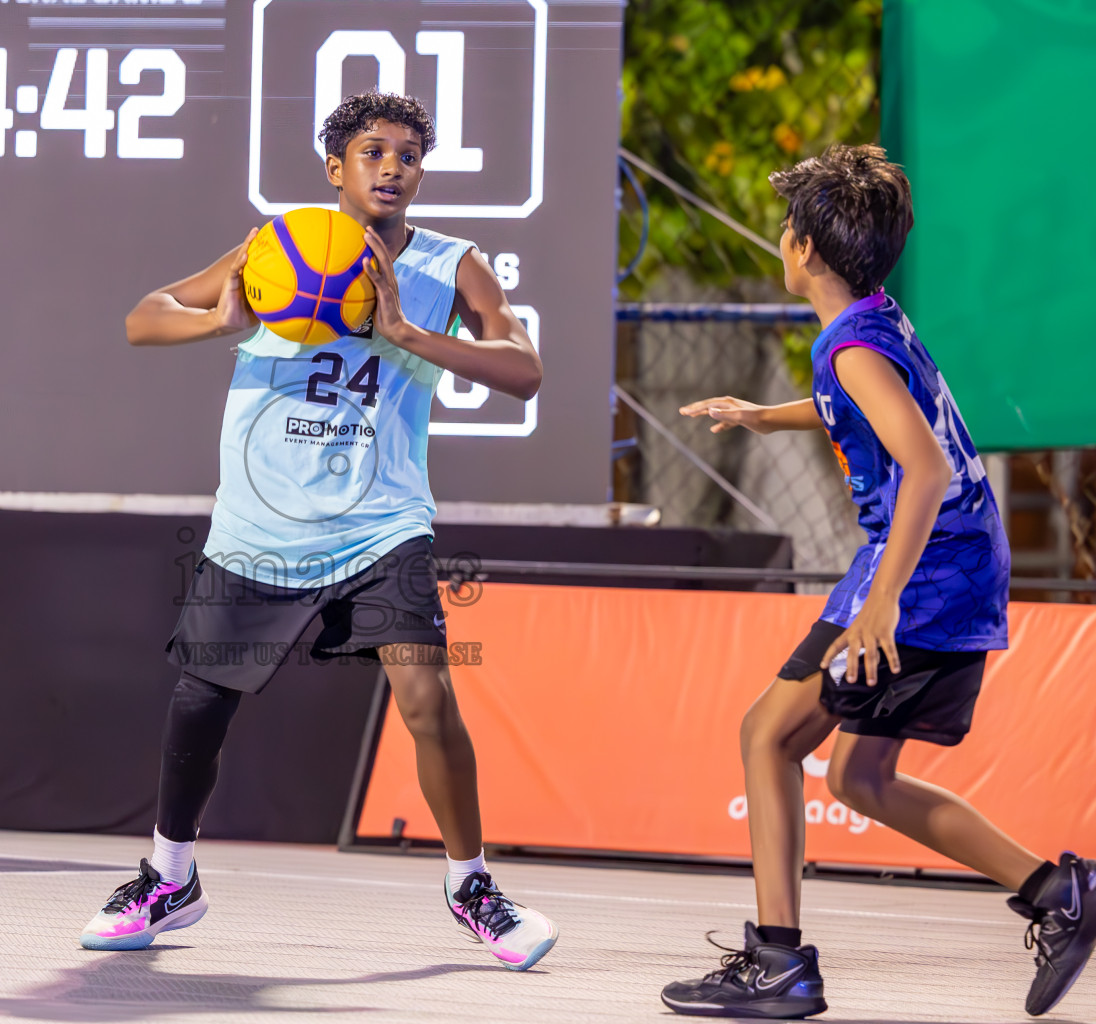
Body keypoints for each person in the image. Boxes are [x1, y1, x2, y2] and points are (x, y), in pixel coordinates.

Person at [79, 90, 557, 972]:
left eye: (410, 155)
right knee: (200, 704)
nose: (393, 167)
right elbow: (143, 316)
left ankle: (473, 888)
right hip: (261, 521)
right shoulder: (275, 249)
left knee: (426, 698)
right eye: (374, 151)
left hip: (382, 523)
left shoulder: (454, 266)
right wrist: (217, 321)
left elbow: (524, 372)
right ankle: (169, 877)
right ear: (335, 167)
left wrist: (408, 332)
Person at [659, 144, 1096, 1019]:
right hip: (950, 562)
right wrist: (764, 417)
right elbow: (867, 407)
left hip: (923, 572)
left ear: (805, 250)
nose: (783, 239)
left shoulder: (848, 347)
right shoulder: (873, 321)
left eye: (787, 229)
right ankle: (1059, 892)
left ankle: (779, 962)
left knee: (769, 737)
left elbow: (925, 469)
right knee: (860, 779)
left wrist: (884, 600)